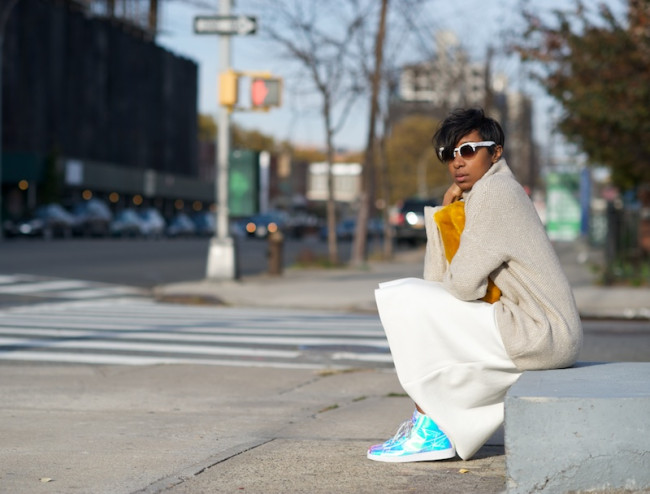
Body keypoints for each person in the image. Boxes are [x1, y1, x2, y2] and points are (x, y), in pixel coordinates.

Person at [367, 108, 583, 463]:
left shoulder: (493, 192)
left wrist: (441, 221)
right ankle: (430, 423)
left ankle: (429, 427)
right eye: (449, 155)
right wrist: (445, 214)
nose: (457, 163)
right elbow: (443, 284)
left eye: (468, 150)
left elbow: (460, 286)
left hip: (541, 332)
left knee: (405, 297)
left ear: (495, 152)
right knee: (415, 300)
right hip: (544, 329)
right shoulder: (496, 189)